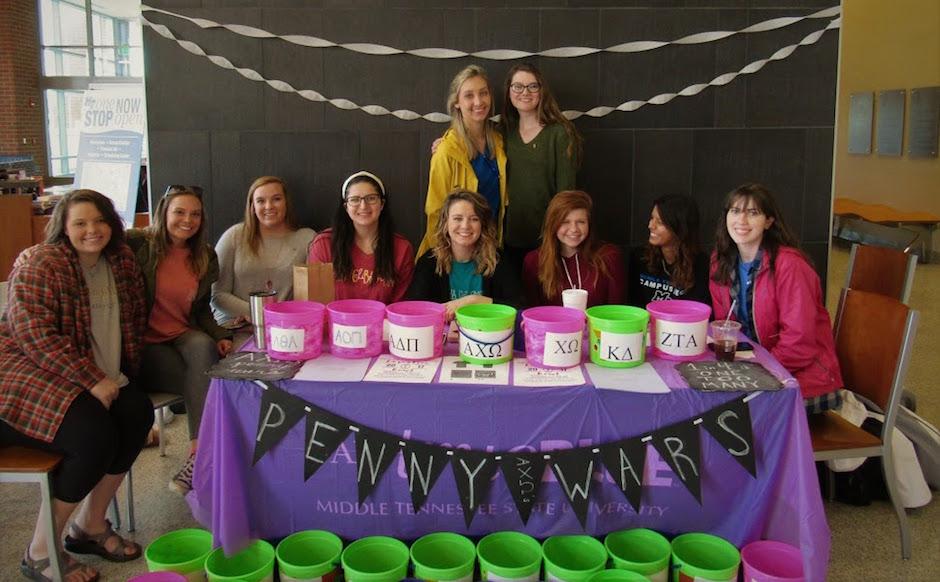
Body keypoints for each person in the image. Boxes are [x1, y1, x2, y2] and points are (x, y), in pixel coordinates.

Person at [0, 190, 153, 582]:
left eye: (99, 221)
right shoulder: (41, 262)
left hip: (95, 379)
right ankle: (40, 551)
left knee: (136, 412)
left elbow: (158, 234)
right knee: (91, 436)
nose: (91, 230)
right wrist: (91, 379)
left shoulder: (120, 260)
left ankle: (90, 526)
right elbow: (32, 334)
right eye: (80, 223)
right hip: (28, 375)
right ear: (62, 227)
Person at [127, 186, 234, 496]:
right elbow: (94, 235)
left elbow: (201, 309)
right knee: (205, 377)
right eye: (179, 212)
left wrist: (221, 336)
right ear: (164, 212)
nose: (188, 220)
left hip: (180, 337)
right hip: (144, 347)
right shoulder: (138, 244)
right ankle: (205, 460)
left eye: (195, 214)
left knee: (204, 347)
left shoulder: (203, 255)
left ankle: (198, 455)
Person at [710, 183, 843, 412]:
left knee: (723, 414)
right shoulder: (720, 261)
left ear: (769, 221)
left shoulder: (791, 266)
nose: (741, 220)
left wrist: (753, 371)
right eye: (735, 211)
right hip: (756, 369)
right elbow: (729, 329)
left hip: (803, 379)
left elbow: (798, 344)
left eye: (753, 213)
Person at [417, 65, 507, 258]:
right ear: (456, 102)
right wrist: (441, 260)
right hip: (457, 251)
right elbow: (435, 211)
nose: (478, 101)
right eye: (468, 95)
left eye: (483, 93)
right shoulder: (446, 151)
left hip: (491, 247)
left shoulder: (499, 142)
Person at [501, 63, 582, 270]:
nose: (524, 92)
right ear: (509, 90)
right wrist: (444, 142)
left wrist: (558, 237)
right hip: (509, 237)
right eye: (517, 86)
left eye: (532, 86)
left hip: (547, 238)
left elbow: (566, 194)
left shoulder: (560, 133)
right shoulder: (503, 131)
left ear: (542, 90)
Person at [212, 176, 315, 338]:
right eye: (260, 201)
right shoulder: (234, 236)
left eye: (276, 199)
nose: (269, 206)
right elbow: (217, 295)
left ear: (286, 203)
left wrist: (278, 318)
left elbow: (312, 297)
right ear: (252, 206)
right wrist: (255, 313)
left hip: (285, 330)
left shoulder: (307, 239)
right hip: (236, 327)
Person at [408, 189, 522, 324]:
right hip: (441, 340)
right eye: (457, 218)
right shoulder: (429, 261)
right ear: (445, 223)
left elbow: (520, 311)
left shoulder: (499, 261)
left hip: (487, 339)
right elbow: (415, 312)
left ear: (482, 225)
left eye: (474, 219)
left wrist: (476, 301)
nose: (465, 226)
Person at [308, 171, 415, 303]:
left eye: (371, 198)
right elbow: (316, 305)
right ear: (346, 206)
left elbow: (399, 307)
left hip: (383, 324)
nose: (363, 206)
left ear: (382, 204)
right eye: (355, 200)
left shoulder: (402, 249)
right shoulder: (323, 244)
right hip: (334, 323)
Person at [522, 190, 624, 308]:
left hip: (599, 327)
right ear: (553, 225)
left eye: (581, 222)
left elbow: (617, 312)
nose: (574, 229)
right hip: (552, 327)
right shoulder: (534, 261)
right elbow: (533, 313)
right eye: (565, 222)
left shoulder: (609, 256)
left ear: (589, 224)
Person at [628, 194, 711, 307]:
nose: (650, 225)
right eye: (652, 218)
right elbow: (633, 306)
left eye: (660, 222)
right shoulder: (640, 257)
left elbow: (698, 311)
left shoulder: (702, 265)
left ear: (680, 227)